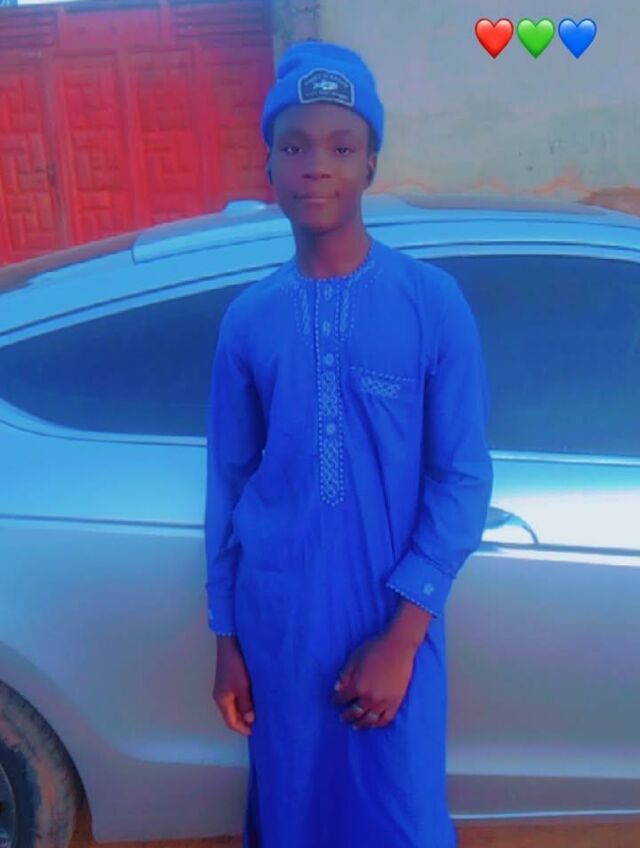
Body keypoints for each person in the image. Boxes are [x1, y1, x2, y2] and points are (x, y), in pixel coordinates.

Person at [204, 39, 493, 848]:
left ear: (371, 163)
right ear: (269, 165)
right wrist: (227, 640)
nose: (316, 166)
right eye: (294, 146)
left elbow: (462, 479)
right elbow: (229, 486)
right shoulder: (249, 320)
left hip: (392, 620)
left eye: (341, 146)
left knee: (401, 817)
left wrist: (401, 641)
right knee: (294, 813)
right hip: (280, 626)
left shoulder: (430, 303)